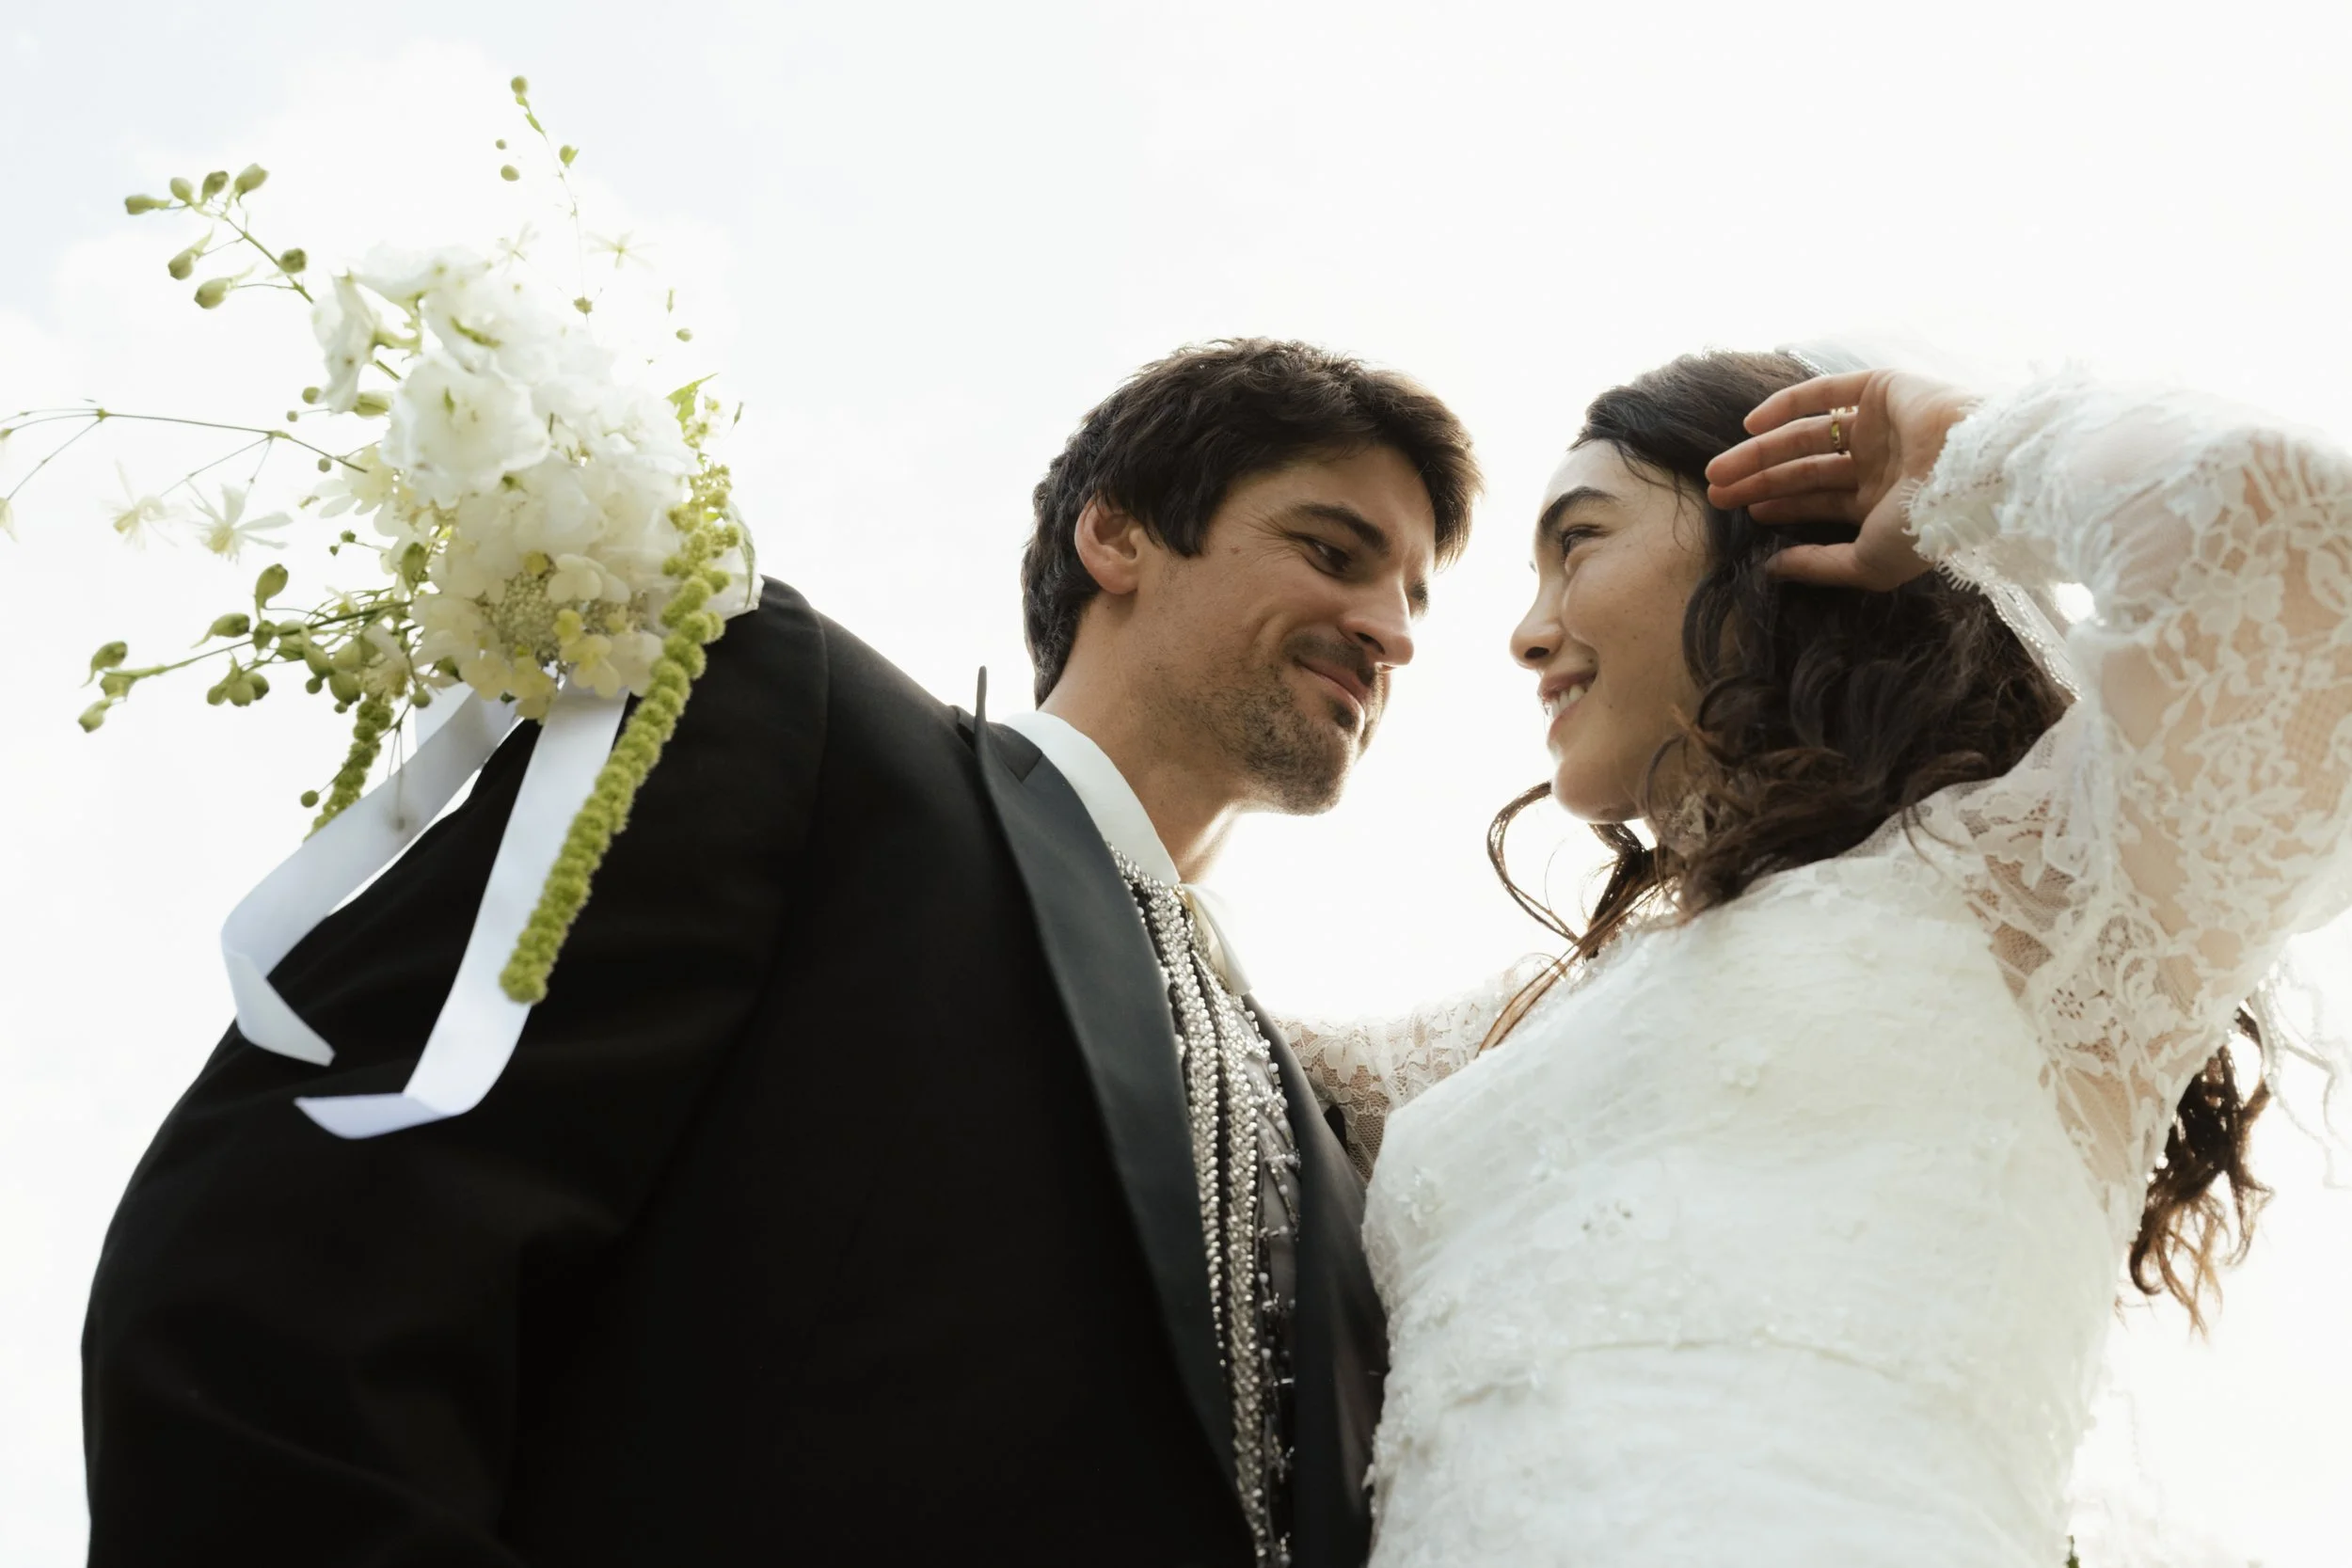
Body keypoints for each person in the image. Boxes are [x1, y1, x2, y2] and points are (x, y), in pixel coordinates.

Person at [81, 338, 1479, 1568]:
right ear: (1116, 538)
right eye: (1333, 550)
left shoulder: (1342, 1143)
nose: (1392, 631)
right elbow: (307, 1256)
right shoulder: (803, 726)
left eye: (1414, 594)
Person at [1290, 350, 2352, 1564]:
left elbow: (2300, 543)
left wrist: (1964, 460)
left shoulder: (2050, 881)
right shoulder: (1515, 1029)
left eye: (1577, 543)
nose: (1530, 638)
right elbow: (1189, 1027)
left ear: (1776, 538)